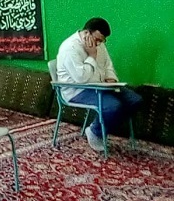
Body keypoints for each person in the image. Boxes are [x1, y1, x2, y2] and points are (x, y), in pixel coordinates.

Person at [56, 17, 142, 152]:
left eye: (102, 41)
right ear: (86, 33)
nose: (99, 44)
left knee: (135, 100)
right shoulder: (69, 48)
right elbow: (81, 78)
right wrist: (92, 56)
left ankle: (99, 128)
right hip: (77, 90)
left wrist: (111, 78)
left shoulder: (98, 44)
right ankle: (95, 131)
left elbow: (107, 64)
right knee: (113, 106)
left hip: (100, 86)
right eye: (97, 40)